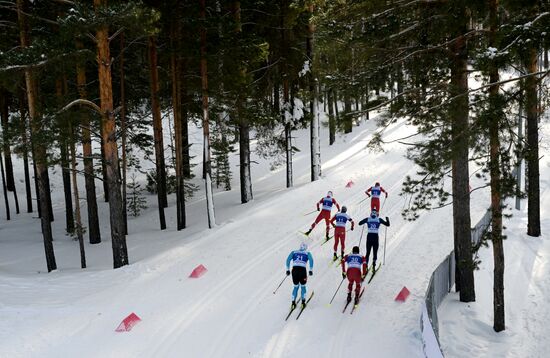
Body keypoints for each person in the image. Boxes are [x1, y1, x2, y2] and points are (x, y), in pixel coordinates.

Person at [286, 242, 314, 309]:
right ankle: (303, 303)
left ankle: (293, 303)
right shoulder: (307, 253)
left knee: (295, 287)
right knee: (303, 286)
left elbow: (288, 260)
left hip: (294, 270)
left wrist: (287, 269)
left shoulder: (294, 252)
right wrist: (311, 270)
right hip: (302, 271)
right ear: (305, 248)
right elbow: (311, 260)